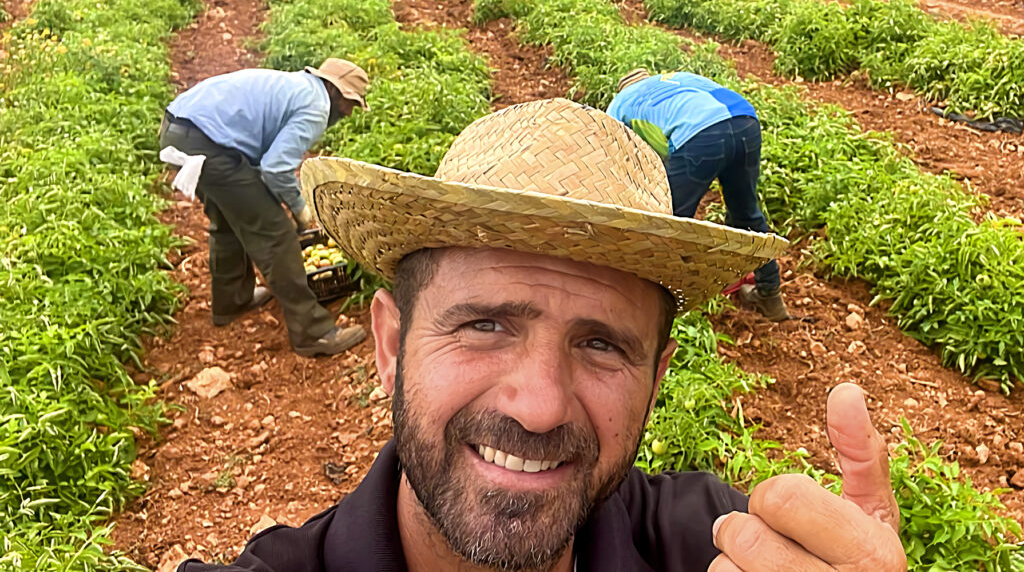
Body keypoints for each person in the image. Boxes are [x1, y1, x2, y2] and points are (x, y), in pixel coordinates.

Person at [179, 98, 906, 571]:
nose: (539, 406)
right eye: (485, 324)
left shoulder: (713, 543)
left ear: (655, 380)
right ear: (391, 345)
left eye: (601, 345)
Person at [158, 59, 370, 357]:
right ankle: (314, 333)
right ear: (336, 92)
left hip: (179, 127)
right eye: (350, 103)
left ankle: (232, 300)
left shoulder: (297, 87)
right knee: (275, 234)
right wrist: (299, 210)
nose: (348, 113)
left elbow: (261, 155)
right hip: (206, 142)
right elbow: (275, 169)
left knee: (230, 219)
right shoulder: (316, 107)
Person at [606, 69, 789, 322]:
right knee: (745, 211)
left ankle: (661, 304)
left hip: (701, 134)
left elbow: (616, 158)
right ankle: (770, 293)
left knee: (670, 222)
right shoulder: (677, 79)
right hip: (745, 120)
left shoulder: (619, 104)